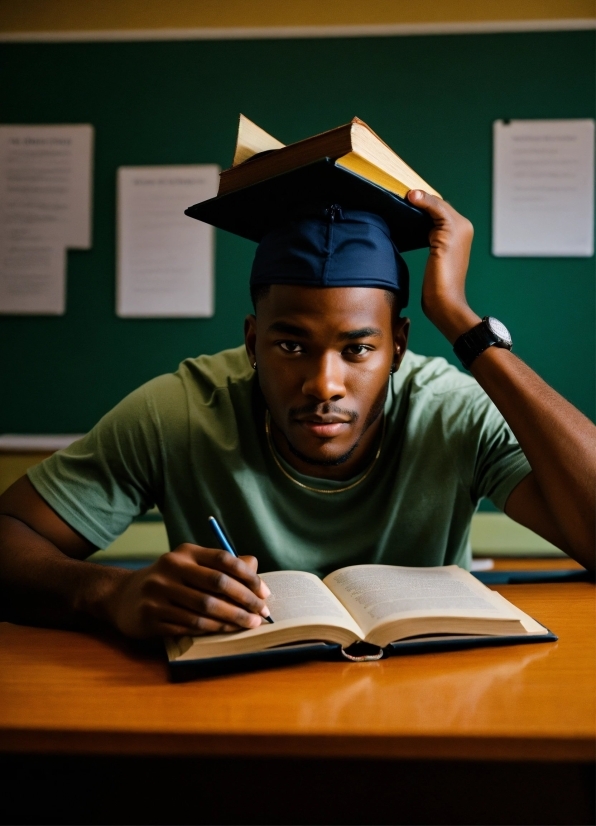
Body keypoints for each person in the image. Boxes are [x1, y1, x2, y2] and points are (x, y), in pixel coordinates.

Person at [0, 191, 594, 640]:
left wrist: (464, 325)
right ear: (252, 341)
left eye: (359, 349)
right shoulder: (178, 411)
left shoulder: (451, 411)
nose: (323, 385)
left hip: (431, 709)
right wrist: (110, 592)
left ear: (400, 345)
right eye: (290, 346)